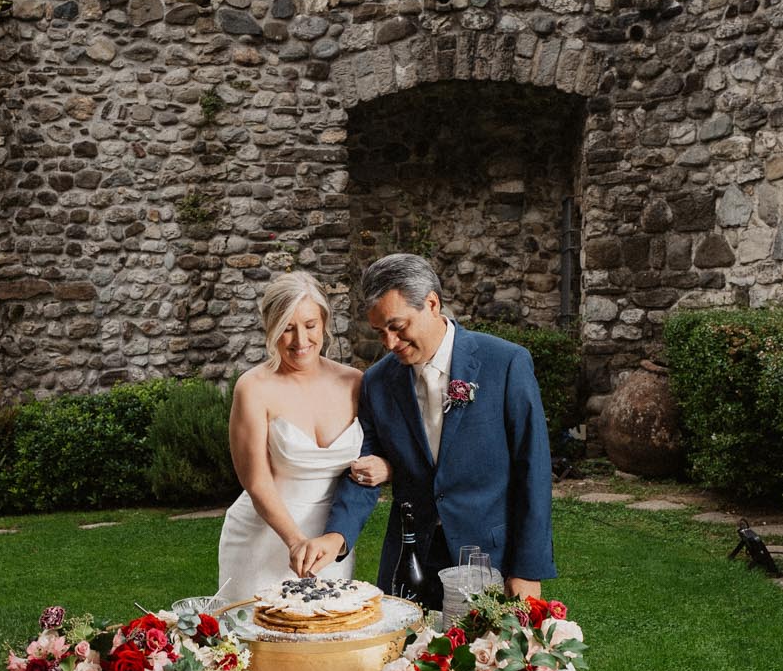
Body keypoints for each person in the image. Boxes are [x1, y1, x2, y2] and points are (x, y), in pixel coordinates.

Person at [296, 253, 555, 599]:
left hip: (489, 557)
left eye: (397, 326)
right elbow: (363, 469)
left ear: (432, 303)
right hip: (410, 559)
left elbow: (533, 472)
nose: (389, 343)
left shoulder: (505, 364)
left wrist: (526, 569)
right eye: (379, 332)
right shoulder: (377, 382)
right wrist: (337, 536)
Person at [216, 271, 390, 601]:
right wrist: (294, 540)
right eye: (287, 327)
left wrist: (385, 466)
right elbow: (256, 481)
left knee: (324, 638)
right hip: (264, 537)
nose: (300, 340)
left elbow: (383, 451)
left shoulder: (356, 383)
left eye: (309, 325)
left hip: (330, 541)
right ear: (271, 329)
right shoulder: (253, 388)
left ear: (324, 322)